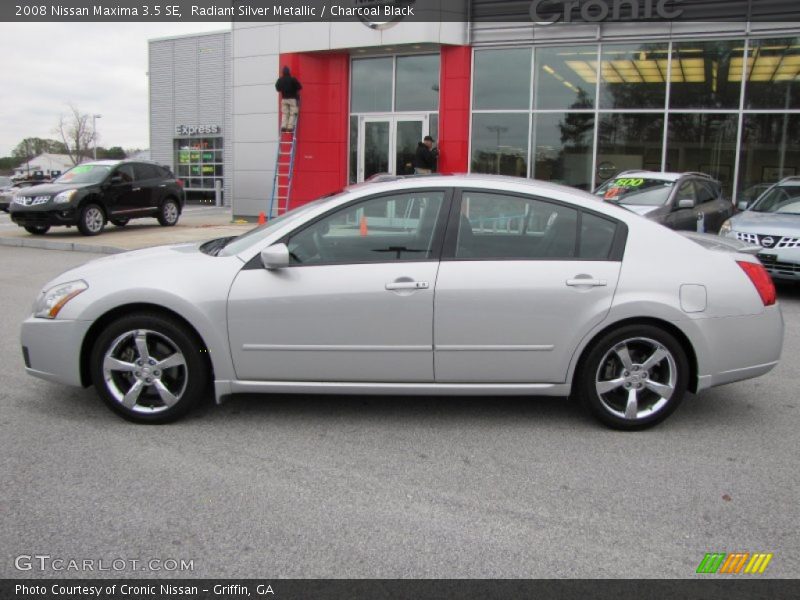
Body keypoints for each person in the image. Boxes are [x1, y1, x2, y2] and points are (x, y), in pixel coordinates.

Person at [275, 66, 302, 132]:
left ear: (283, 72)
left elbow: (277, 88)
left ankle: (283, 126)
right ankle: (290, 127)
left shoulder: (280, 80)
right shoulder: (292, 79)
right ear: (289, 72)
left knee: (285, 113)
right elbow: (299, 87)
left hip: (284, 99)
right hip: (292, 99)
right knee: (292, 113)